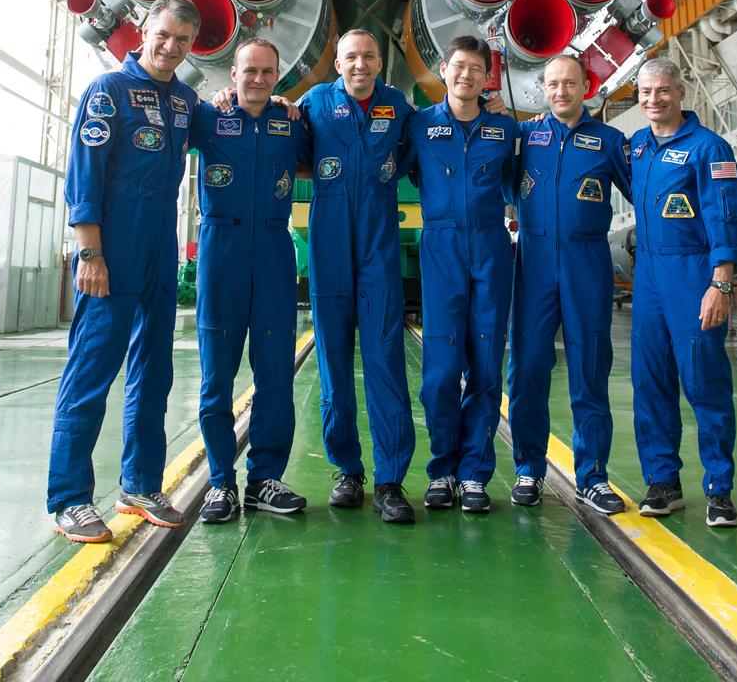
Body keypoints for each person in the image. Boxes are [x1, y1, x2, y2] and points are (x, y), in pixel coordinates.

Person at [48, 0, 200, 543]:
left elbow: (234, 128)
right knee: (91, 372)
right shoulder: (108, 92)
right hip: (110, 249)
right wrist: (90, 252)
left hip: (160, 250)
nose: (170, 46)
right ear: (144, 30)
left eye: (182, 40)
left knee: (153, 373)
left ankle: (139, 484)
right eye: (163, 35)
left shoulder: (185, 101)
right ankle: (69, 498)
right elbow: (83, 176)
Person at [298, 29, 417, 524]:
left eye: (369, 56)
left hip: (378, 248)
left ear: (380, 62)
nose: (360, 64)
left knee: (385, 358)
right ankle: (347, 469)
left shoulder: (401, 107)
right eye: (351, 57)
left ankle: (390, 480)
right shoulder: (312, 103)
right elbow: (283, 136)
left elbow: (417, 152)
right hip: (328, 244)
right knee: (332, 359)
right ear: (337, 62)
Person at [191, 39, 312, 523]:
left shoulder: (292, 123)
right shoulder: (209, 117)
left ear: (277, 77)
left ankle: (264, 479)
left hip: (274, 253)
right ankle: (221, 483)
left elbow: (316, 158)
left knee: (276, 375)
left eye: (267, 71)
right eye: (249, 71)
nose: (258, 79)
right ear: (233, 73)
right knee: (216, 377)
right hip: (221, 251)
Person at [508, 54, 632, 515]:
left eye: (570, 83)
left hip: (587, 263)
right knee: (527, 368)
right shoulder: (524, 138)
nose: (561, 91)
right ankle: (528, 467)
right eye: (553, 84)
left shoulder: (610, 142)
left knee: (590, 368)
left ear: (588, 86)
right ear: (542, 89)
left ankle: (593, 476)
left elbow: (646, 188)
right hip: (534, 264)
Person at [403, 36, 518, 513]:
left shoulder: (506, 132)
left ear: (486, 77)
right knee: (441, 371)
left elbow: (524, 185)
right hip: (442, 246)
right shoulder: (418, 126)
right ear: (442, 69)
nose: (466, 75)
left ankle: (474, 473)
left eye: (476, 68)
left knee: (487, 368)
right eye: (458, 66)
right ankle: (441, 471)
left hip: (492, 248)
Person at [629, 58, 737, 529]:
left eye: (662, 91)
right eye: (645, 92)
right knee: (650, 382)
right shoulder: (636, 147)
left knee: (704, 383)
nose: (653, 99)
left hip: (693, 274)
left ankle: (719, 489)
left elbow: (725, 215)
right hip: (648, 280)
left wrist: (720, 282)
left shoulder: (709, 148)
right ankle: (664, 482)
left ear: (680, 93)